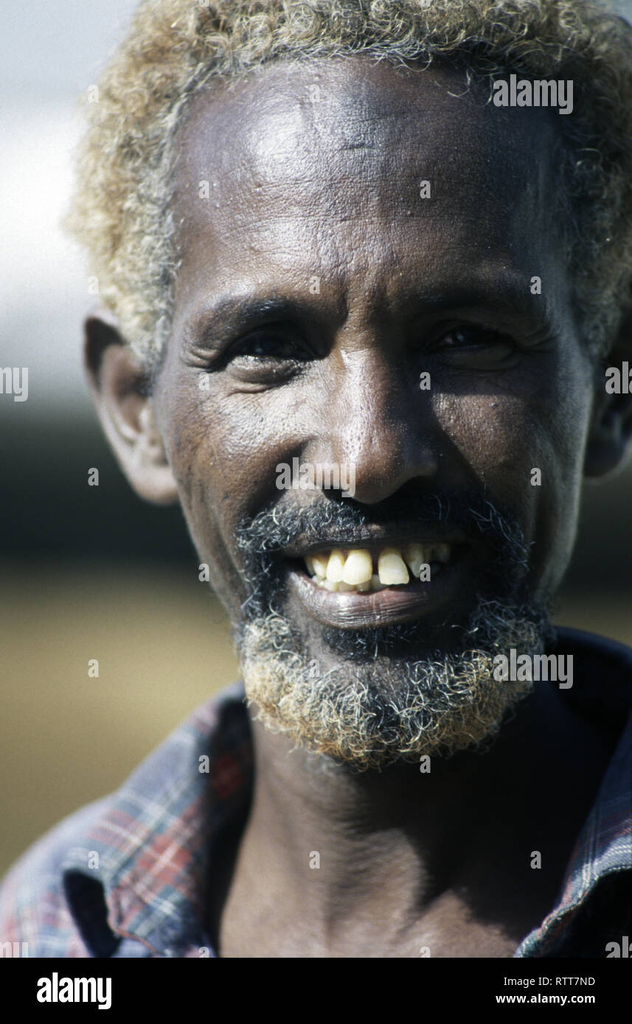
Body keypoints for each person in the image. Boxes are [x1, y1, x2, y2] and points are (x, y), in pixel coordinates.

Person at [1, 0, 631, 958]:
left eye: (467, 339)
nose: (369, 455)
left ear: (614, 390)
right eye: (269, 347)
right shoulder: (55, 931)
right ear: (136, 412)